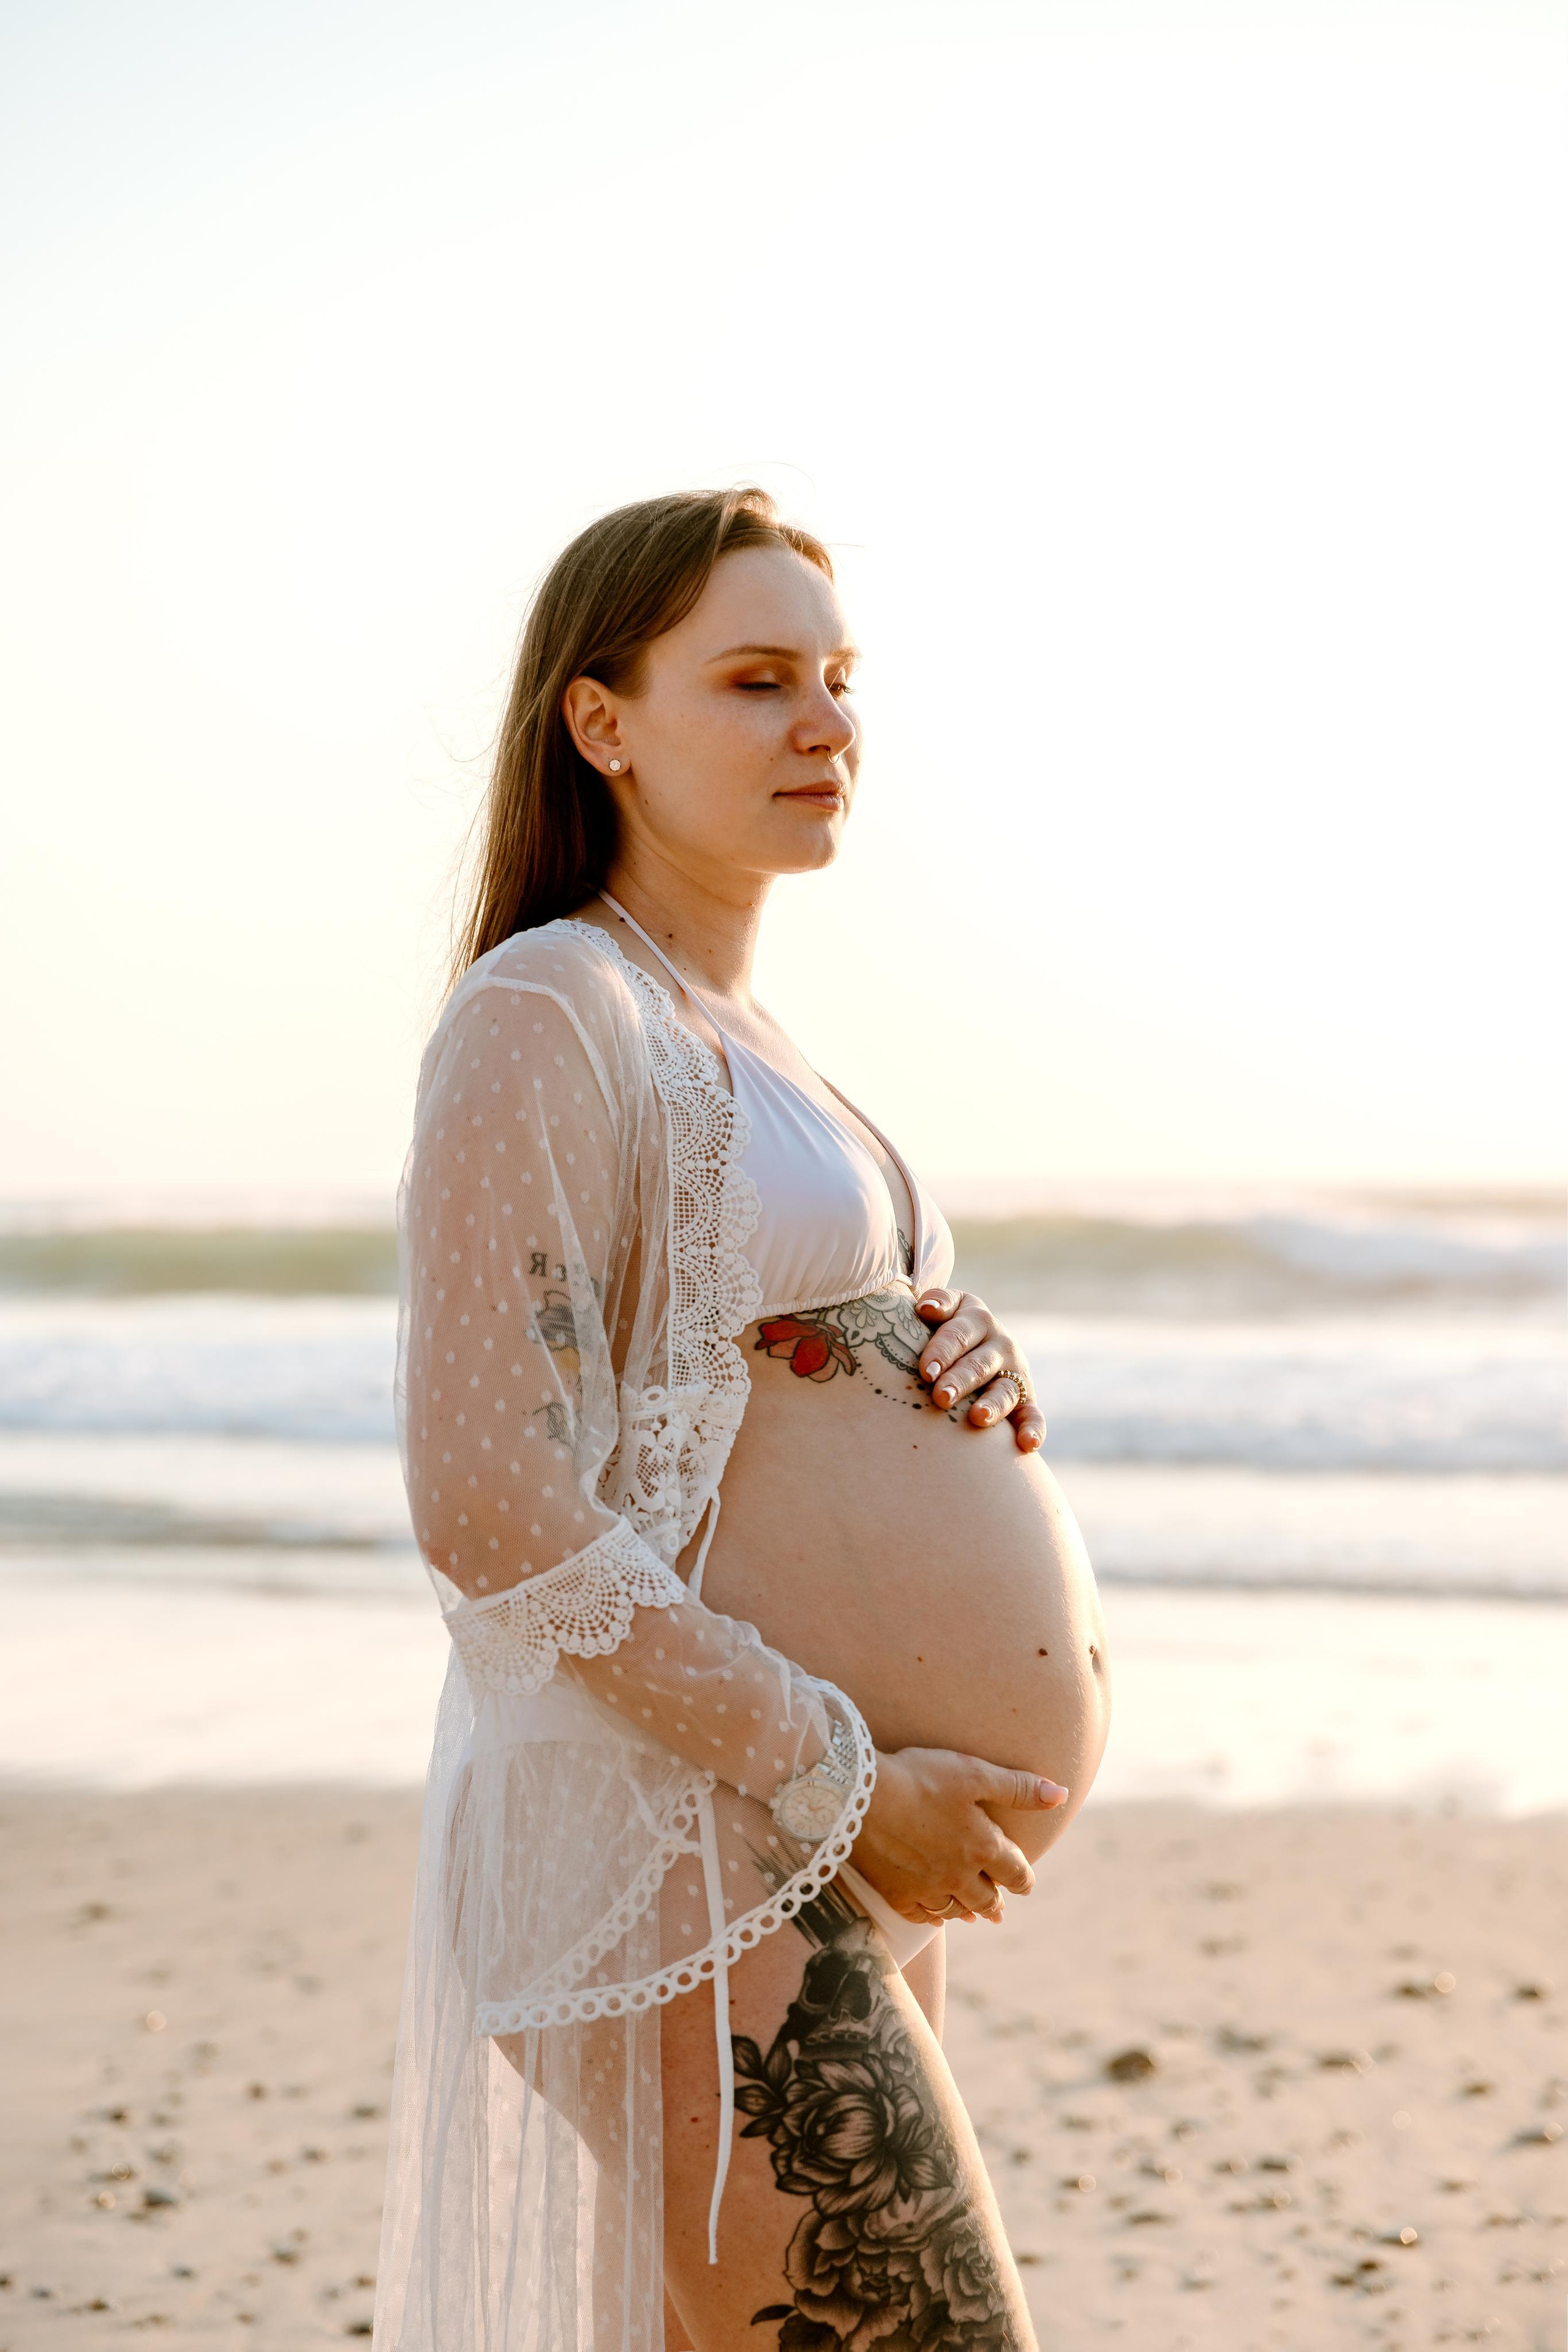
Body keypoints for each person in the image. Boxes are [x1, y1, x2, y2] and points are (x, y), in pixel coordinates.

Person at [375, 489, 1110, 2352]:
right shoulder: (551, 1006)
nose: (827, 721)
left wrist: (956, 1356)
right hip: (688, 1837)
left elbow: (746, 1380)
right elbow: (490, 1497)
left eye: (842, 678)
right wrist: (847, 1780)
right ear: (602, 722)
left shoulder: (754, 1040)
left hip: (786, 1842)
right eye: (759, 678)